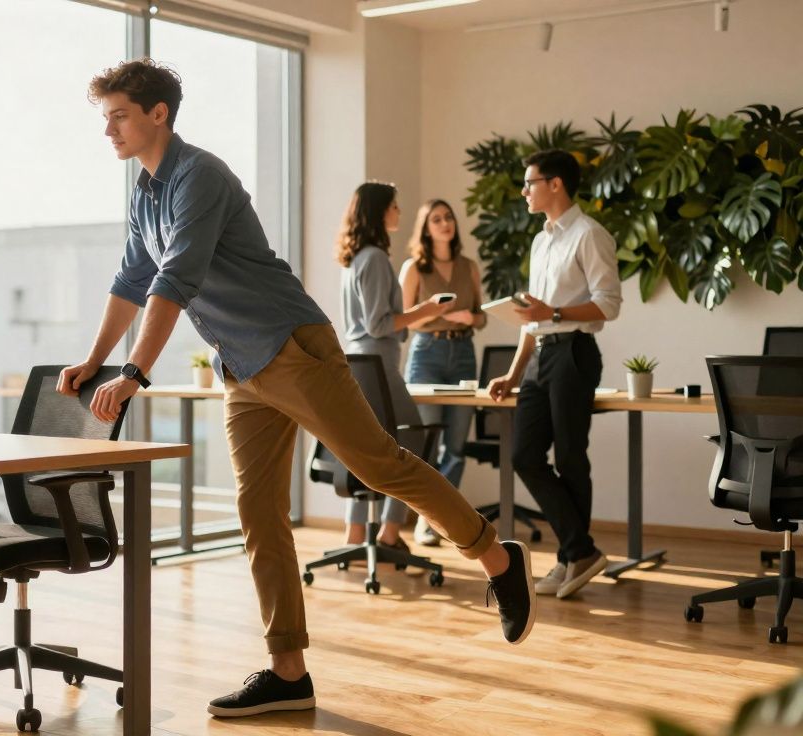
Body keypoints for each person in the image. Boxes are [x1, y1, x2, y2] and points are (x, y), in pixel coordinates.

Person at [61, 58, 535, 719]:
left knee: (379, 465)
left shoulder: (200, 175)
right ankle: (288, 672)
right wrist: (93, 360)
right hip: (241, 368)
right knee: (258, 510)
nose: (107, 128)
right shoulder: (144, 195)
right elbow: (131, 280)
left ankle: (496, 559)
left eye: (117, 115)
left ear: (157, 114)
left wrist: (135, 371)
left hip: (290, 345)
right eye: (104, 116)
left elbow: (175, 280)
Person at [487, 149, 622, 599]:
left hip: (574, 353)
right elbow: (533, 318)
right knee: (524, 454)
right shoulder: (541, 240)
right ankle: (579, 550)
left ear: (556, 184)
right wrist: (512, 372)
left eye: (530, 183)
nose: (525, 191)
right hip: (542, 357)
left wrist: (556, 310)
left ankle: (571, 559)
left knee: (569, 457)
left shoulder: (590, 234)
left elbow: (609, 303)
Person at [338, 183, 454, 560]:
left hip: (362, 367)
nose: (399, 212)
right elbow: (377, 324)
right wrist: (428, 310)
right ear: (379, 212)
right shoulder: (373, 259)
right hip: (377, 368)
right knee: (415, 446)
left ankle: (356, 532)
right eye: (394, 206)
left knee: (366, 450)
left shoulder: (357, 259)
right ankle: (389, 531)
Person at [399, 199, 487, 546]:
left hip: (463, 352)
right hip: (427, 354)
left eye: (448, 217)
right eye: (436, 219)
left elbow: (481, 315)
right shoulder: (414, 268)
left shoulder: (469, 266)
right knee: (428, 446)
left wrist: (469, 319)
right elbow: (403, 319)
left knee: (456, 446)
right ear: (425, 228)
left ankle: (445, 519)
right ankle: (428, 519)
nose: (445, 223)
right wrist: (433, 311)